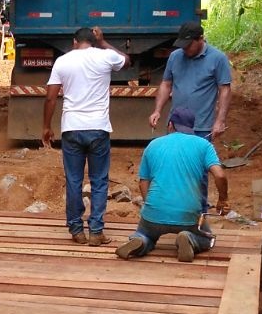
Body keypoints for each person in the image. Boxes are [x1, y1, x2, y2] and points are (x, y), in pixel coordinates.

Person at [41, 26, 130, 247]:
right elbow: (126, 60)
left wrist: (46, 127)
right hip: (98, 128)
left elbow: (51, 98)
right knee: (99, 180)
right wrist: (104, 42)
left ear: (74, 42)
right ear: (93, 40)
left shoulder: (63, 61)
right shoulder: (105, 56)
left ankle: (76, 230)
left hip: (71, 128)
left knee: (74, 180)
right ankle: (96, 231)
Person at [116, 106, 229, 263]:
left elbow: (143, 182)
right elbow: (220, 175)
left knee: (145, 232)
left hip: (153, 214)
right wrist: (223, 199)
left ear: (170, 125)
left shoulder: (153, 145)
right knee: (206, 237)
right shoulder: (204, 145)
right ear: (191, 127)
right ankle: (190, 238)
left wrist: (150, 206)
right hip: (188, 216)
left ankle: (141, 240)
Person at [149, 21, 232, 141]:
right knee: (174, 158)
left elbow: (225, 90)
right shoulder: (175, 57)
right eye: (183, 45)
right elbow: (166, 84)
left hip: (201, 127)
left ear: (201, 39)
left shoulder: (218, 58)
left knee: (197, 159)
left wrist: (220, 121)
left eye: (188, 45)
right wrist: (157, 111)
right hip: (175, 125)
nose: (185, 49)